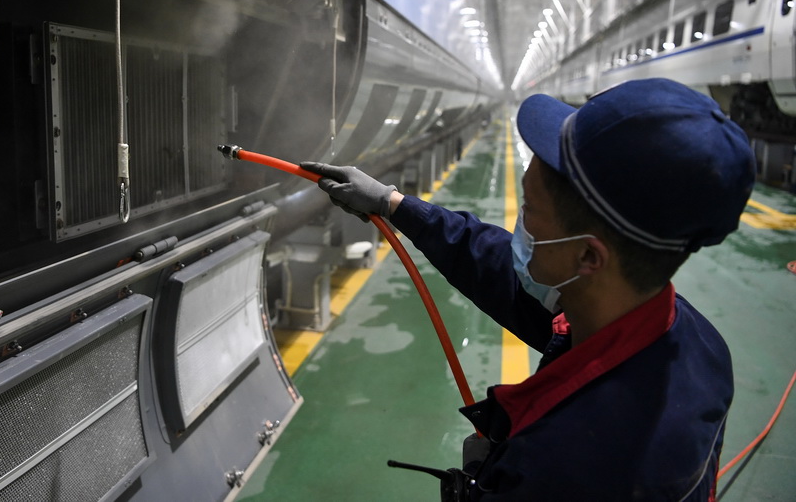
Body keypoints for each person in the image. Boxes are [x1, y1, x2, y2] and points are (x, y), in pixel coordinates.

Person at [301, 78, 755, 501]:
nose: (519, 223)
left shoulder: (562, 468)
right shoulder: (687, 338)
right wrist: (393, 204)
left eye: (530, 208)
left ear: (589, 258)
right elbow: (496, 266)